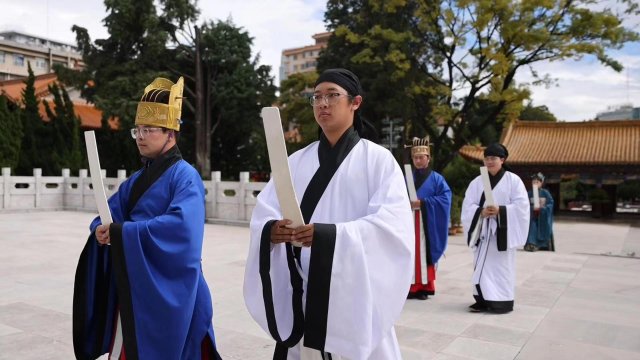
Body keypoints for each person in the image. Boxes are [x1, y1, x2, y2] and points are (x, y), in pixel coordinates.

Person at [243, 68, 414, 359]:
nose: (323, 103)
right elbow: (265, 212)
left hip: (351, 291)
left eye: (332, 95)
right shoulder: (297, 161)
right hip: (302, 286)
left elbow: (390, 227)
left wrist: (328, 237)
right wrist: (272, 230)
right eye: (317, 97)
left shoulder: (378, 161)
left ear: (355, 102)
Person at [73, 77, 222, 360]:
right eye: (137, 130)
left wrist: (122, 232)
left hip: (174, 284)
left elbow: (181, 228)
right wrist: (100, 230)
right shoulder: (136, 180)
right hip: (136, 279)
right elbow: (108, 213)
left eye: (149, 129)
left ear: (171, 133)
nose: (140, 136)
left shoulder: (186, 176)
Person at [461, 143, 529, 314]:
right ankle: (482, 300)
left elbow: (521, 206)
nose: (489, 162)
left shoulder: (513, 180)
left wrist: (501, 210)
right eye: (487, 158)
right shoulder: (478, 182)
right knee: (481, 268)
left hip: (501, 233)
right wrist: (481, 212)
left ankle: (502, 302)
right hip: (483, 232)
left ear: (502, 160)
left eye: (493, 158)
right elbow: (468, 204)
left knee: (501, 268)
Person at [406, 136, 452, 300]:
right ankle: (409, 286)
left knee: (424, 252)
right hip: (408, 220)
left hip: (427, 222)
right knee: (409, 252)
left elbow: (445, 198)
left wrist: (424, 203)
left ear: (428, 158)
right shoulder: (406, 177)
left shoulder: (437, 179)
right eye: (415, 158)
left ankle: (424, 286)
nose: (418, 161)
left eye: (421, 157)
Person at [524, 172, 555, 251]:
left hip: (543, 216)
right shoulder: (529, 193)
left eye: (537, 182)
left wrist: (542, 209)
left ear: (541, 183)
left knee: (540, 224)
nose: (535, 184)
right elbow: (524, 204)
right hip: (532, 216)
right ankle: (531, 243)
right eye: (533, 182)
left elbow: (550, 204)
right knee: (532, 225)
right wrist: (531, 209)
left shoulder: (545, 193)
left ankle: (540, 244)